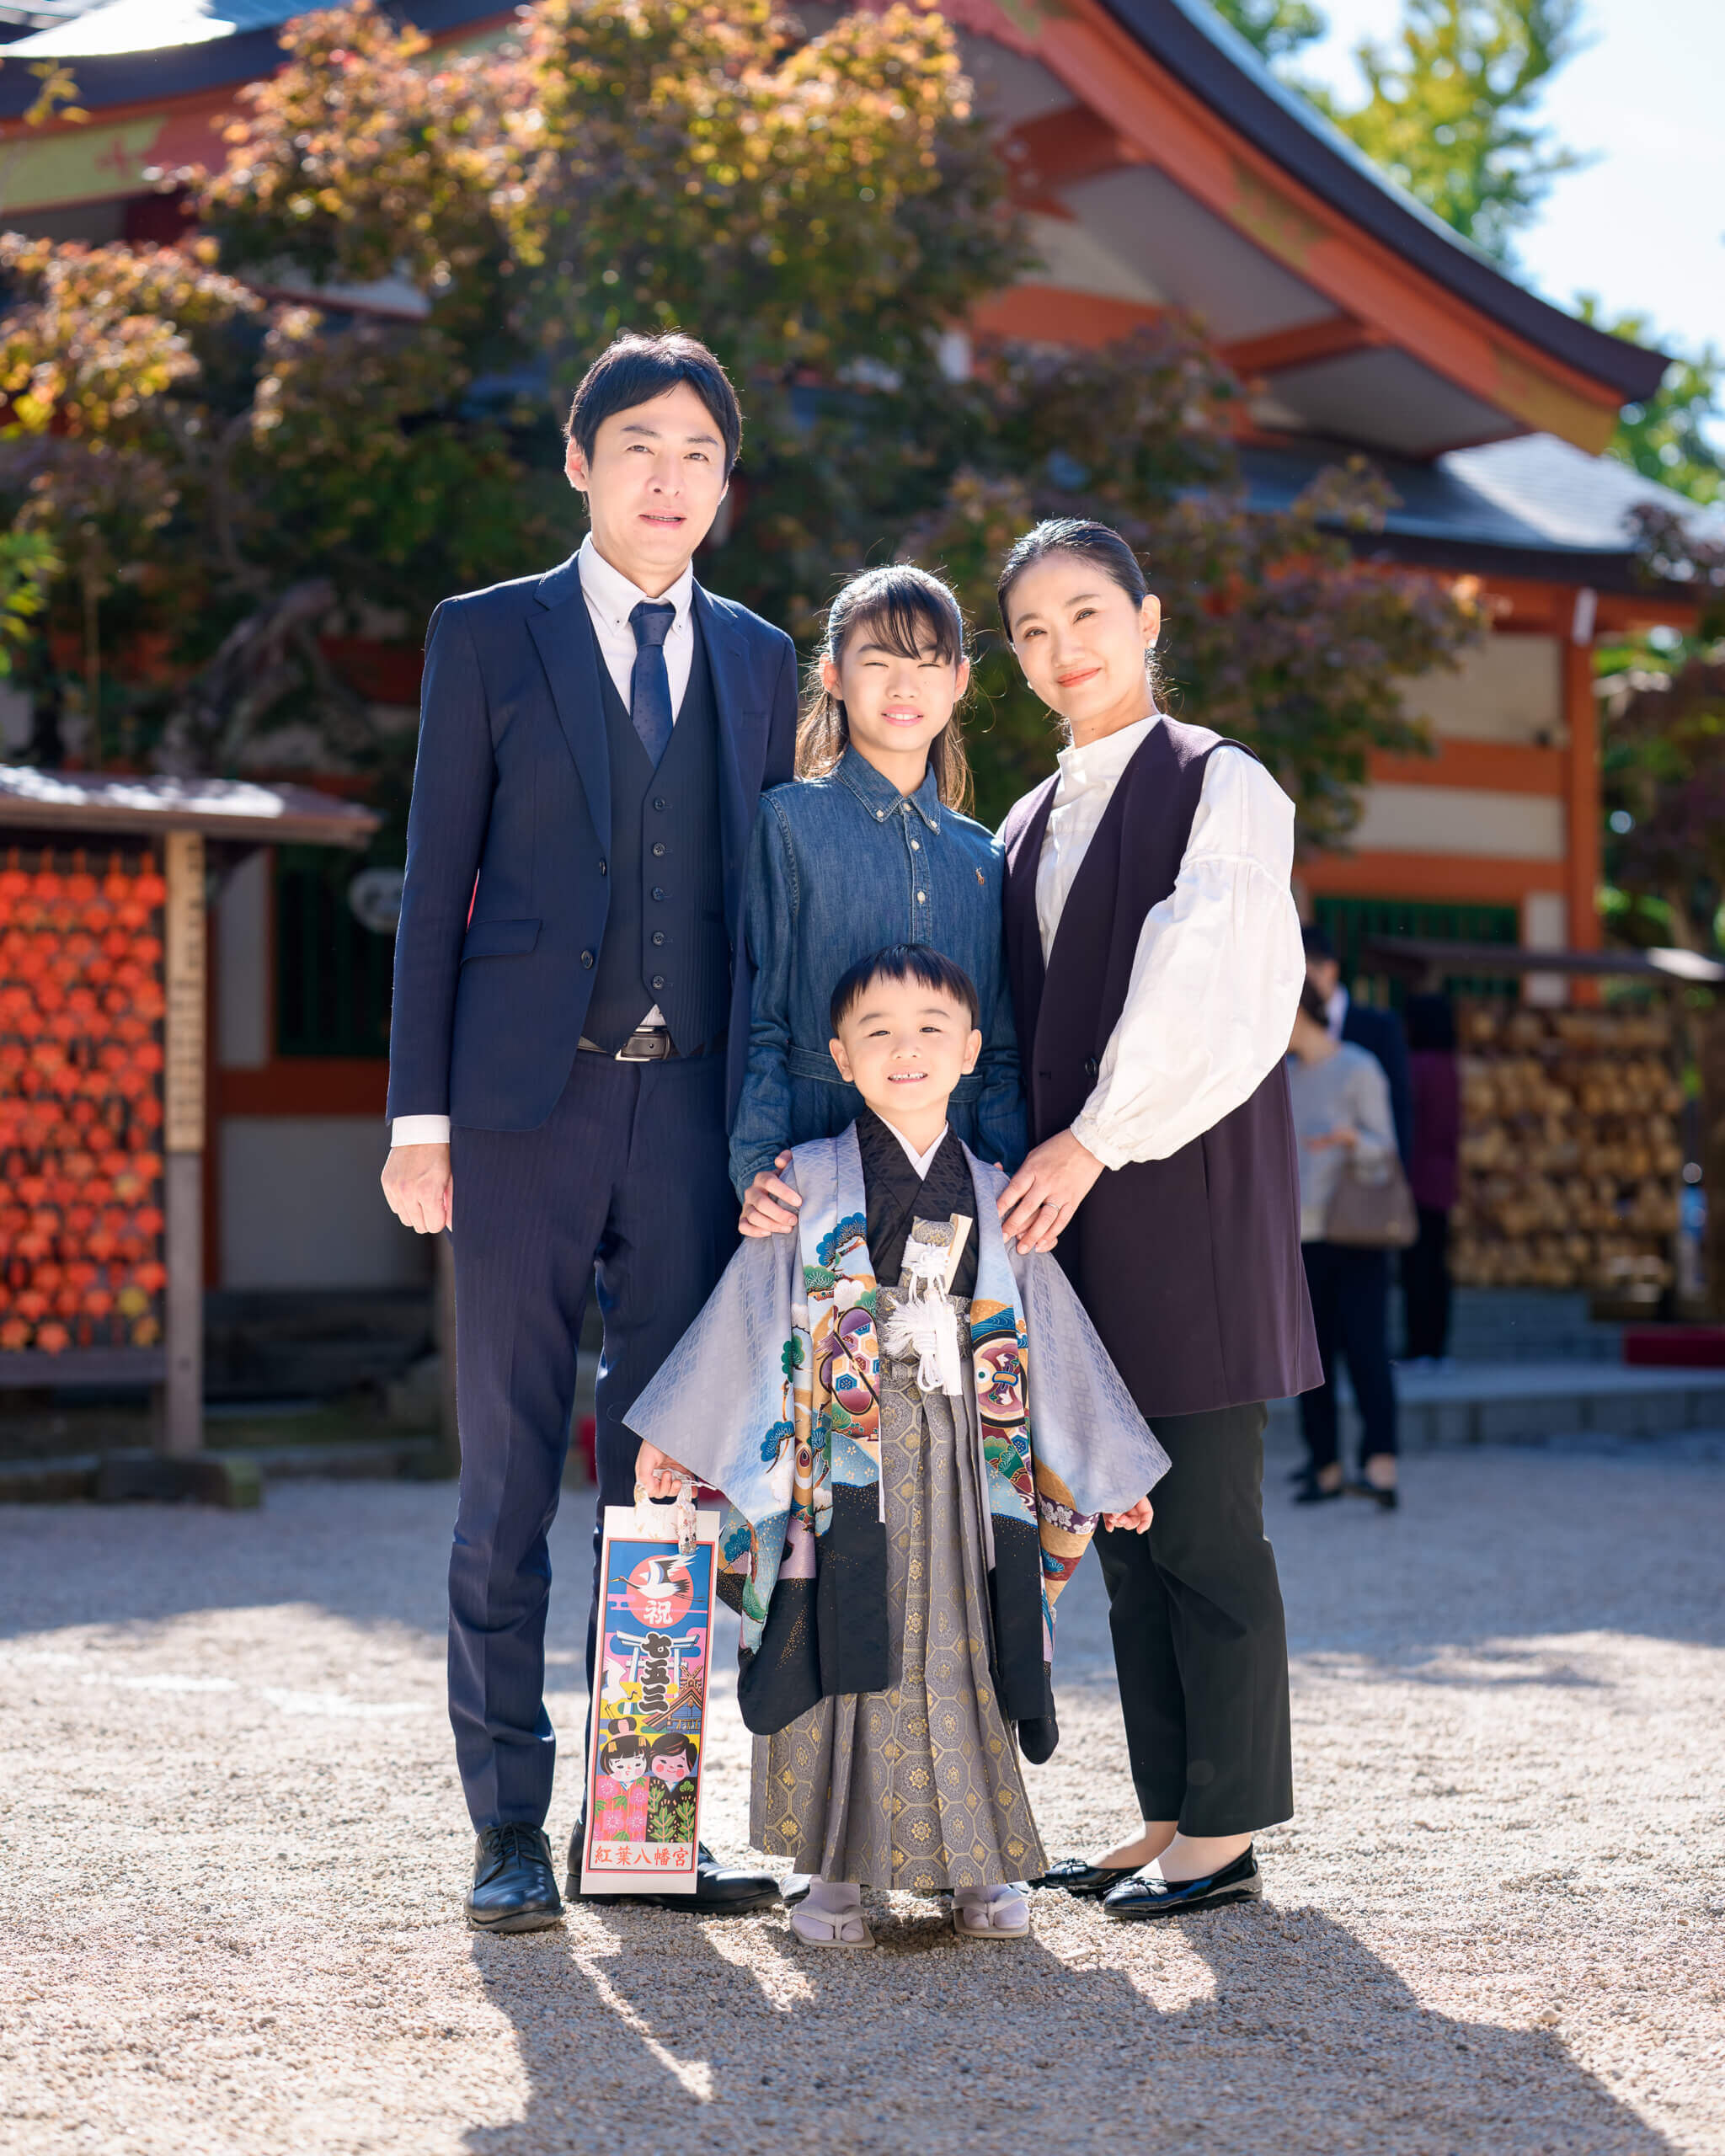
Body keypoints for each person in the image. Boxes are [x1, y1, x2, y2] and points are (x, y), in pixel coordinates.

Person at [380, 330, 788, 1932]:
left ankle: (643, 1824)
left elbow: (763, 910)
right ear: (579, 463)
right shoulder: (488, 635)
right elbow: (435, 890)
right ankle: (506, 1828)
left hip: (691, 1119)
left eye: (697, 454)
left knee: (665, 1480)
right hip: (516, 1115)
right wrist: (418, 1119)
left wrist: (776, 1125)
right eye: (638, 448)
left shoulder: (762, 659)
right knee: (504, 1475)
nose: (667, 480)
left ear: (725, 484)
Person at [628, 946, 1169, 1946]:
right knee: (835, 1633)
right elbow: (750, 1308)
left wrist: (1103, 1474)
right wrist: (680, 1440)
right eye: (876, 1032)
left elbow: (1049, 1332)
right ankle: (832, 1873)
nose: (904, 1049)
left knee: (970, 1641)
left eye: (930, 1029)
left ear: (970, 1051)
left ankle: (980, 1867)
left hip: (968, 1454)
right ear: (840, 1057)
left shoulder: (998, 1189)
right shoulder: (805, 1180)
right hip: (839, 1453)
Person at [992, 518, 1321, 1922]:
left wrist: (1092, 1139)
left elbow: (1215, 991)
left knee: (1202, 1528)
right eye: (1030, 631)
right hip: (1066, 1224)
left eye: (1085, 614)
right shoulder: (1021, 822)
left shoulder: (1217, 782)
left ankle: (1225, 1834)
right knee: (1118, 1529)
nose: (1061, 648)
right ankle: (1167, 1813)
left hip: (1179, 1196)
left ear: (1147, 617)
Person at [729, 563, 1024, 1237]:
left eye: (927, 663)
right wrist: (755, 1165)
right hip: (811, 1180)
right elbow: (763, 1019)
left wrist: (1005, 1167)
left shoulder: (984, 856)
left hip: (959, 1187)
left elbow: (999, 1049)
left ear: (959, 680)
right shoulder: (787, 823)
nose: (903, 685)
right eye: (878, 661)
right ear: (833, 674)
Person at [1286, 980, 1402, 1509]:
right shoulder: (1281, 1078)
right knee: (1312, 1361)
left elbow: (1386, 1150)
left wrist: (1350, 1139)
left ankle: (1381, 1463)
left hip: (1356, 1233)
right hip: (1300, 1238)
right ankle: (1325, 1466)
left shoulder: (1359, 1067)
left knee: (1366, 1350)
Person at [1302, 924, 1413, 1168]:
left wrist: (1398, 1169)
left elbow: (1399, 1104)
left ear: (1330, 970)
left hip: (1360, 1171)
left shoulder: (1379, 1027)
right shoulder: (1289, 1032)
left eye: (1304, 976)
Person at [1402, 991, 1461, 1363]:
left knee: (1417, 1269)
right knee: (1437, 1267)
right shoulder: (1450, 1067)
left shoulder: (1417, 1066)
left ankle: (1420, 1345)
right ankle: (1437, 1347)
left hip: (1418, 1179)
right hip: (1443, 1179)